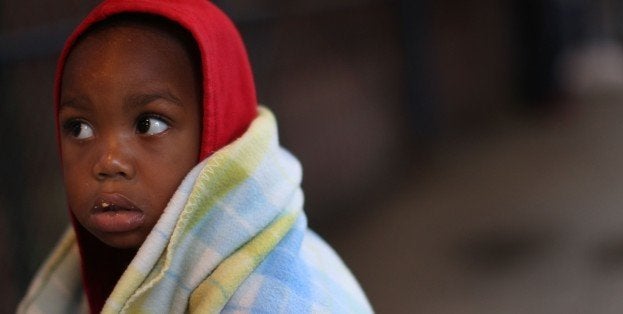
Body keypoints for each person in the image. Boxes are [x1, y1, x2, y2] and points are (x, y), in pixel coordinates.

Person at [17, 0, 372, 313]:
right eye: (79, 128)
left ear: (219, 136)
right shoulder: (87, 275)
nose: (108, 162)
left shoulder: (274, 297)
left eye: (149, 124)